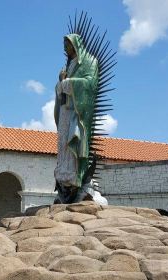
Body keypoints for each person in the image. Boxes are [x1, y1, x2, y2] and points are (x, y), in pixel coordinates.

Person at [54, 34, 99, 203]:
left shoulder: (90, 62)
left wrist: (67, 83)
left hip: (77, 113)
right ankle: (63, 180)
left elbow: (89, 84)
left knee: (74, 142)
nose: (65, 48)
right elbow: (61, 87)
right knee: (64, 144)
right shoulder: (69, 64)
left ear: (76, 45)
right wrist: (61, 83)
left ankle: (74, 179)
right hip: (65, 112)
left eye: (68, 44)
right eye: (64, 44)